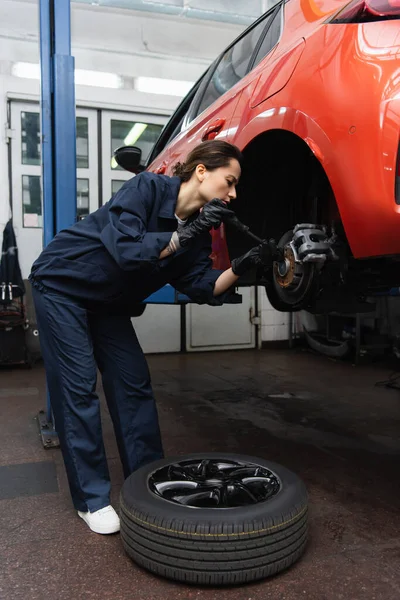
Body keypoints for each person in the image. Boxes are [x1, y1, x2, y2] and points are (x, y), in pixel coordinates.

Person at [29, 140, 273, 535]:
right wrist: (187, 230)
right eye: (229, 182)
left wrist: (243, 266)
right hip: (63, 283)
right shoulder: (147, 188)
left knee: (133, 384)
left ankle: (147, 483)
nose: (233, 194)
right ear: (201, 171)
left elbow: (201, 285)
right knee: (78, 388)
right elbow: (127, 250)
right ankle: (91, 499)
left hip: (108, 301)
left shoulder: (201, 234)